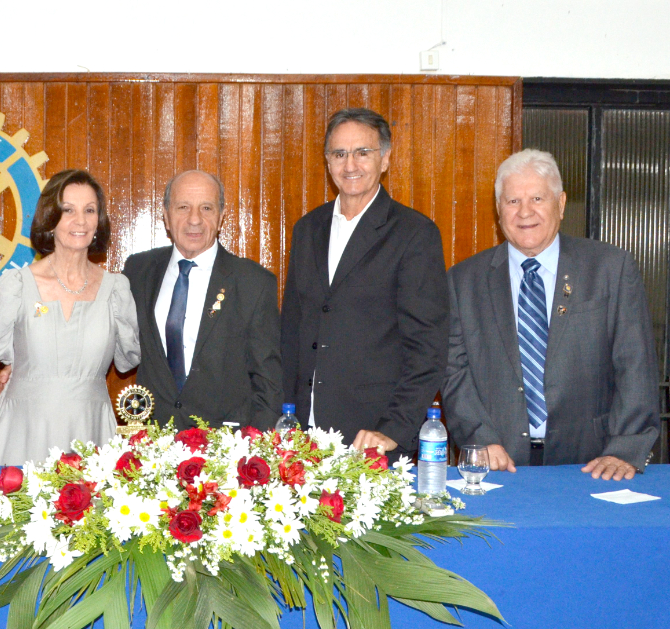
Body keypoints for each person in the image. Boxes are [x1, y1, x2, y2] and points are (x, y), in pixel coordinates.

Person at [442, 149, 659, 481]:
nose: (525, 211)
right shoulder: (463, 280)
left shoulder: (610, 269)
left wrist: (625, 447)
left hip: (593, 462)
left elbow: (635, 362)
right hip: (496, 463)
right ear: (498, 209)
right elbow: (453, 371)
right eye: (512, 201)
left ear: (560, 203)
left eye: (537, 198)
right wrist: (479, 439)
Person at [281, 108, 448, 458]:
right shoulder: (307, 229)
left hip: (373, 436)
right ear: (327, 161)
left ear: (385, 159)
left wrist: (393, 429)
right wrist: (285, 419)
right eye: (339, 154)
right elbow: (292, 332)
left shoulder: (414, 234)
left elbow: (427, 347)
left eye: (363, 152)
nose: (350, 164)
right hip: (303, 438)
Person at [0, 169, 139, 466]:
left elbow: (128, 360)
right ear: (50, 219)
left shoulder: (117, 290)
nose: (80, 221)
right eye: (68, 210)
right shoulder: (17, 285)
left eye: (89, 210)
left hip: (91, 435)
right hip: (21, 434)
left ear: (100, 221)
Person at [123, 170, 282, 431]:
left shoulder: (253, 282)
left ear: (221, 217)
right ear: (166, 215)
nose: (194, 220)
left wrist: (253, 453)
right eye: (183, 207)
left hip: (224, 451)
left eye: (206, 208)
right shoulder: (138, 271)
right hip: (152, 446)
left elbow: (269, 383)